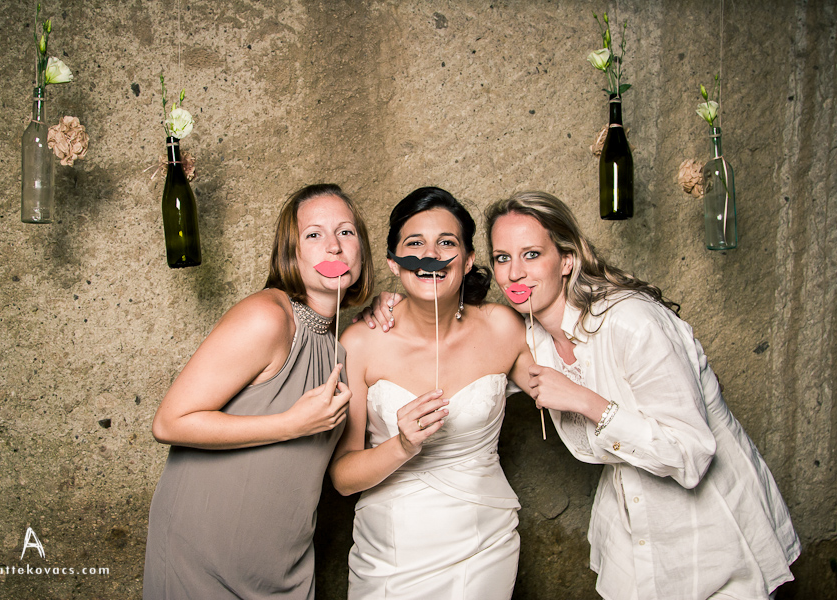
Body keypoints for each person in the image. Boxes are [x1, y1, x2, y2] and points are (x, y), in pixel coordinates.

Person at [362, 190, 800, 599]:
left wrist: (585, 401)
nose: (515, 273)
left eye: (532, 254)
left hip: (715, 530)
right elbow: (456, 352)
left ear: (567, 260)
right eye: (503, 258)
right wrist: (394, 301)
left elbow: (692, 454)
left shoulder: (633, 322)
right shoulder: (531, 336)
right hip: (631, 536)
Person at [143, 184, 375, 600]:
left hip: (282, 566)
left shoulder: (338, 347)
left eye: (346, 232)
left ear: (362, 250)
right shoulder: (267, 317)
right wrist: (290, 424)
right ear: (291, 252)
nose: (334, 247)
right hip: (203, 556)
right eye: (314, 234)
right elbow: (169, 422)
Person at [330, 187, 537, 599]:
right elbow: (342, 478)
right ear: (393, 262)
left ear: (468, 259)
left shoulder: (503, 327)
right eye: (414, 244)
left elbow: (561, 383)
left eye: (446, 243)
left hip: (484, 546)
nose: (430, 256)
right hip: (391, 553)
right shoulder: (360, 343)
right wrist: (402, 446)